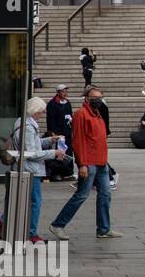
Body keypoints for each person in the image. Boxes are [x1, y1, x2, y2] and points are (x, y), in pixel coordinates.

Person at [48, 85, 121, 239]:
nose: (98, 100)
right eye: (95, 98)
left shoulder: (97, 114)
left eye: (100, 98)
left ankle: (103, 228)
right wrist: (82, 164)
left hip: (101, 162)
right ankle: (57, 224)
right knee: (81, 195)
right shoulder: (82, 114)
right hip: (89, 162)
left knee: (106, 194)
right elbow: (78, 141)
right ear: (87, 99)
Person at [9, 97, 67, 243]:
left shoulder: (23, 122)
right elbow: (32, 153)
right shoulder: (27, 126)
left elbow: (33, 145)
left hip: (27, 168)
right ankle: (31, 233)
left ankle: (3, 220)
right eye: (41, 112)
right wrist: (53, 153)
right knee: (35, 201)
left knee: (24, 199)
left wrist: (49, 140)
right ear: (34, 111)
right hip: (30, 169)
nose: (41, 115)